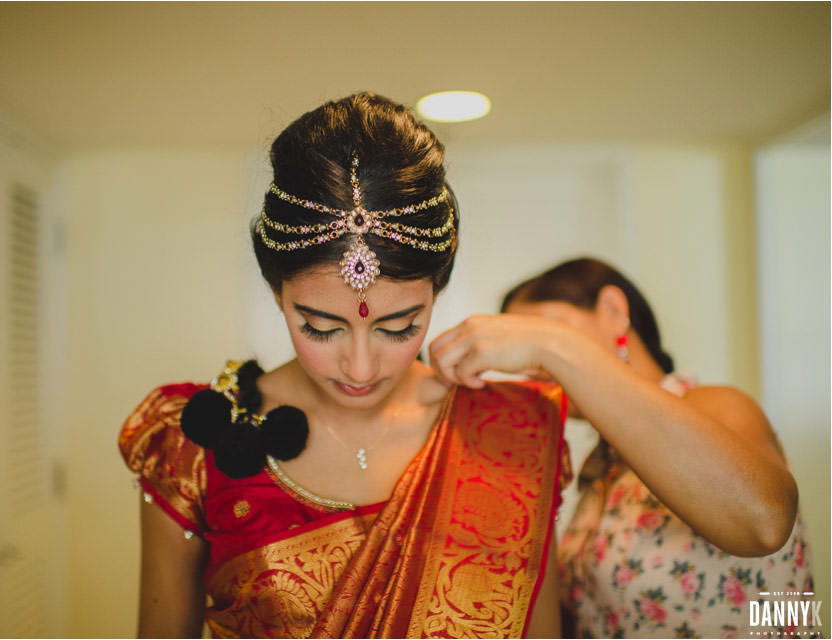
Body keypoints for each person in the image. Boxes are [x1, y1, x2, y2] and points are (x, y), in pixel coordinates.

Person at [118, 93, 567, 638]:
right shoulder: (192, 444)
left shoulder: (511, 435)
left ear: (438, 289)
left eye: (398, 327)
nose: (359, 367)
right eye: (321, 327)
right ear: (277, 294)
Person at [428, 257, 814, 638]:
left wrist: (550, 345)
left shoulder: (714, 406)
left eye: (541, 331)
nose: (533, 368)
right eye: (527, 355)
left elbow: (765, 522)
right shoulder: (600, 471)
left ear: (614, 310)